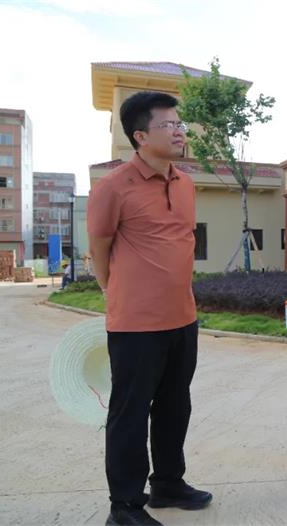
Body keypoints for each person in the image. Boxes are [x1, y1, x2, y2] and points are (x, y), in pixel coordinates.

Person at [88, 91, 211, 526]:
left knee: (175, 406)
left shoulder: (185, 183)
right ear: (140, 136)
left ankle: (168, 484)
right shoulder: (113, 187)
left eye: (180, 124)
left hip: (183, 317)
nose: (179, 131)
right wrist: (120, 293)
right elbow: (99, 249)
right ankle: (124, 506)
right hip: (136, 325)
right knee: (130, 413)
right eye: (169, 125)